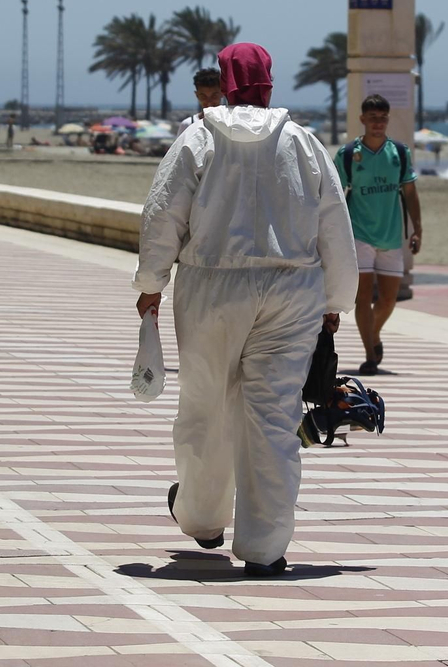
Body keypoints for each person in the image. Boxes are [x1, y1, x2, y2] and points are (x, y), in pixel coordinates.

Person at [133, 42, 355, 578]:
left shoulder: (199, 138)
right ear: (270, 85)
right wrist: (336, 301)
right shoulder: (302, 142)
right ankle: (264, 547)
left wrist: (151, 283)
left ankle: (203, 517)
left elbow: (164, 215)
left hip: (212, 287)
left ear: (227, 83)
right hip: (292, 289)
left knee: (205, 403)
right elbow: (335, 222)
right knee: (273, 417)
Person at [335, 94, 423, 375]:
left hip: (391, 236)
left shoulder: (398, 153)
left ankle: (373, 334)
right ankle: (370, 355)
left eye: (382, 118)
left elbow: (409, 191)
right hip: (359, 234)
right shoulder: (348, 154)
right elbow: (334, 194)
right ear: (363, 119)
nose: (378, 123)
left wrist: (417, 228)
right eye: (372, 118)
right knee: (364, 297)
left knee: (387, 300)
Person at [178, 68, 224, 134]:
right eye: (203, 97)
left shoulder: (230, 123)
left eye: (214, 96)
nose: (209, 102)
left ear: (222, 93)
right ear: (197, 95)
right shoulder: (188, 125)